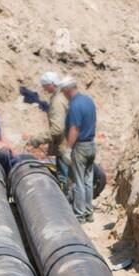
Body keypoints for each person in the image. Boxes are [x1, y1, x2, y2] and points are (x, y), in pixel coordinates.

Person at [61, 77, 98, 222]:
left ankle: (79, 215)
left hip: (80, 146)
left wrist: (68, 148)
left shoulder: (75, 105)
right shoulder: (88, 101)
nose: (63, 94)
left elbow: (74, 128)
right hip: (91, 145)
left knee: (78, 182)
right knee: (88, 181)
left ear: (67, 90)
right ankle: (89, 213)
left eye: (63, 92)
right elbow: (93, 122)